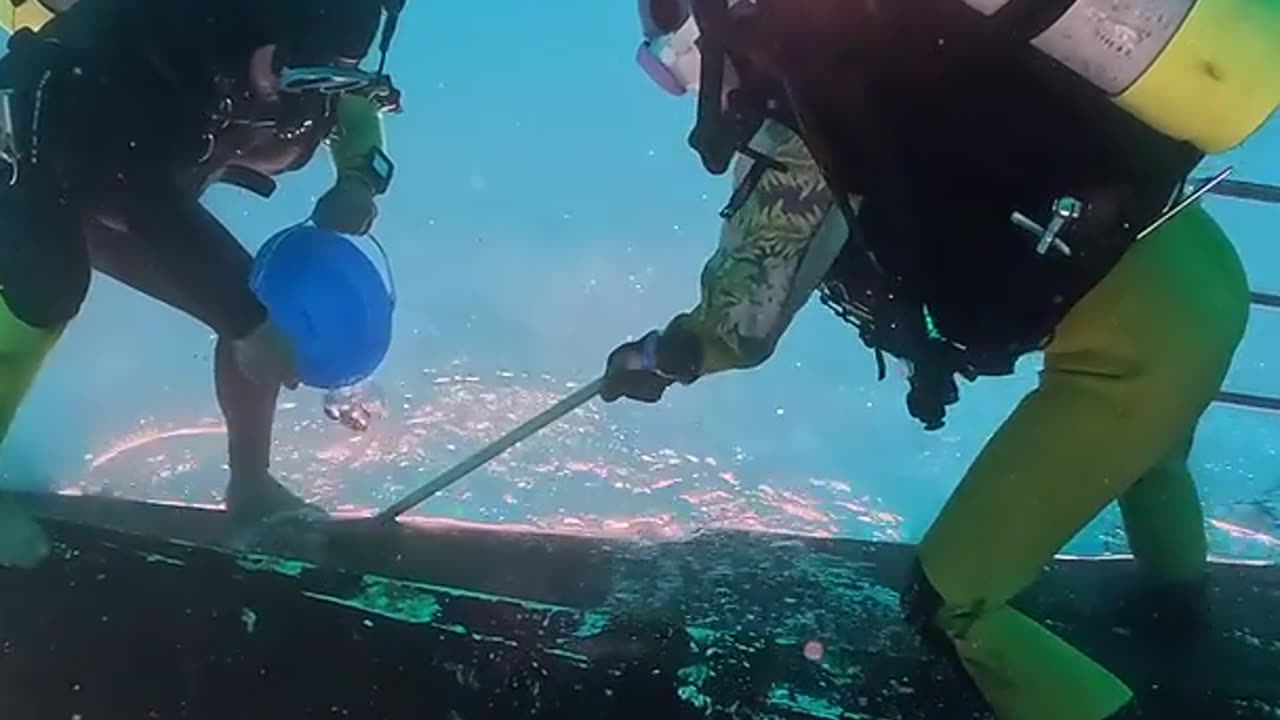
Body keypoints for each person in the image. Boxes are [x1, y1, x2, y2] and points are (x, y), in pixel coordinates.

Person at [603, 0, 1276, 718]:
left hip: (1135, 350)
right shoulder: (904, 62)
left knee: (951, 606)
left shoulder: (812, 117)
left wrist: (664, 354)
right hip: (1200, 272)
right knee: (1151, 457)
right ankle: (1186, 622)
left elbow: (744, 317)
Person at [0, 0, 405, 566]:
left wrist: (361, 177)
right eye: (297, 73)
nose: (306, 92)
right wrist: (246, 322)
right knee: (46, 286)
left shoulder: (310, 43)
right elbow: (139, 196)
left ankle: (251, 490)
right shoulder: (172, 37)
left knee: (255, 299)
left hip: (137, 185)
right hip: (67, 142)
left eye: (327, 79)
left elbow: (353, 99)